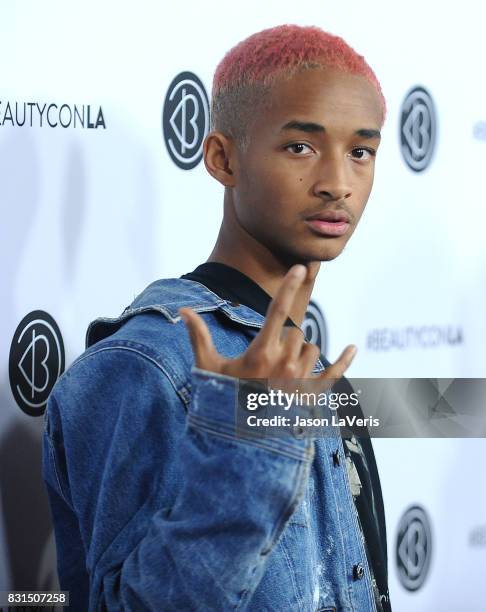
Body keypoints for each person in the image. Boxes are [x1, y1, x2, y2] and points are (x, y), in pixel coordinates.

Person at [42, 24, 391, 611]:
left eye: (360, 152)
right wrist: (247, 456)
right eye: (301, 147)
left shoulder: (300, 361)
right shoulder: (146, 365)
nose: (337, 184)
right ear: (222, 158)